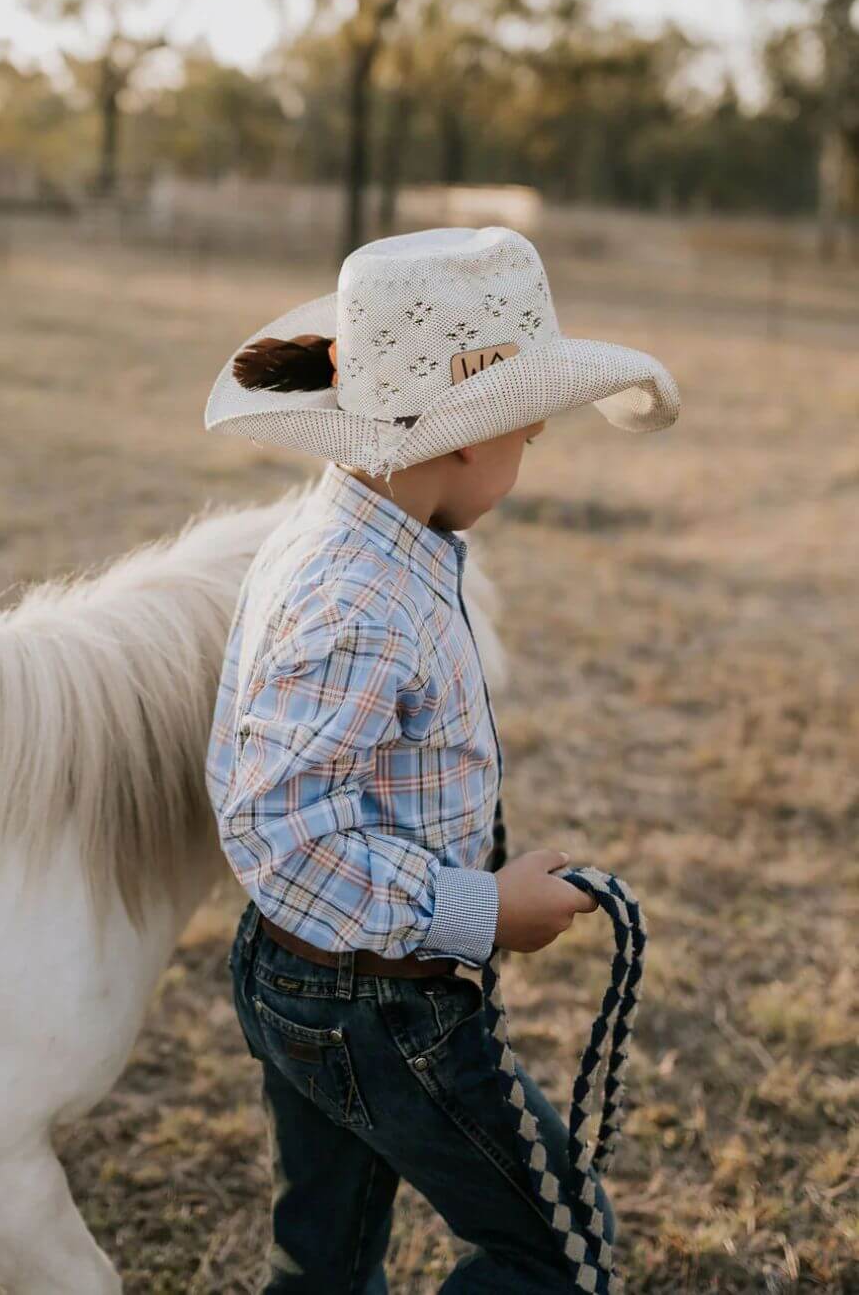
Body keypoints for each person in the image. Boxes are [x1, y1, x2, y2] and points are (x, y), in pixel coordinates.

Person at [203, 225, 679, 1293]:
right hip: (374, 997)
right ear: (470, 436)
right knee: (559, 1246)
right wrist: (480, 909)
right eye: (528, 435)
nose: (527, 456)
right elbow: (279, 828)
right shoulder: (358, 597)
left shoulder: (350, 538)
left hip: (306, 973)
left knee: (323, 1253)